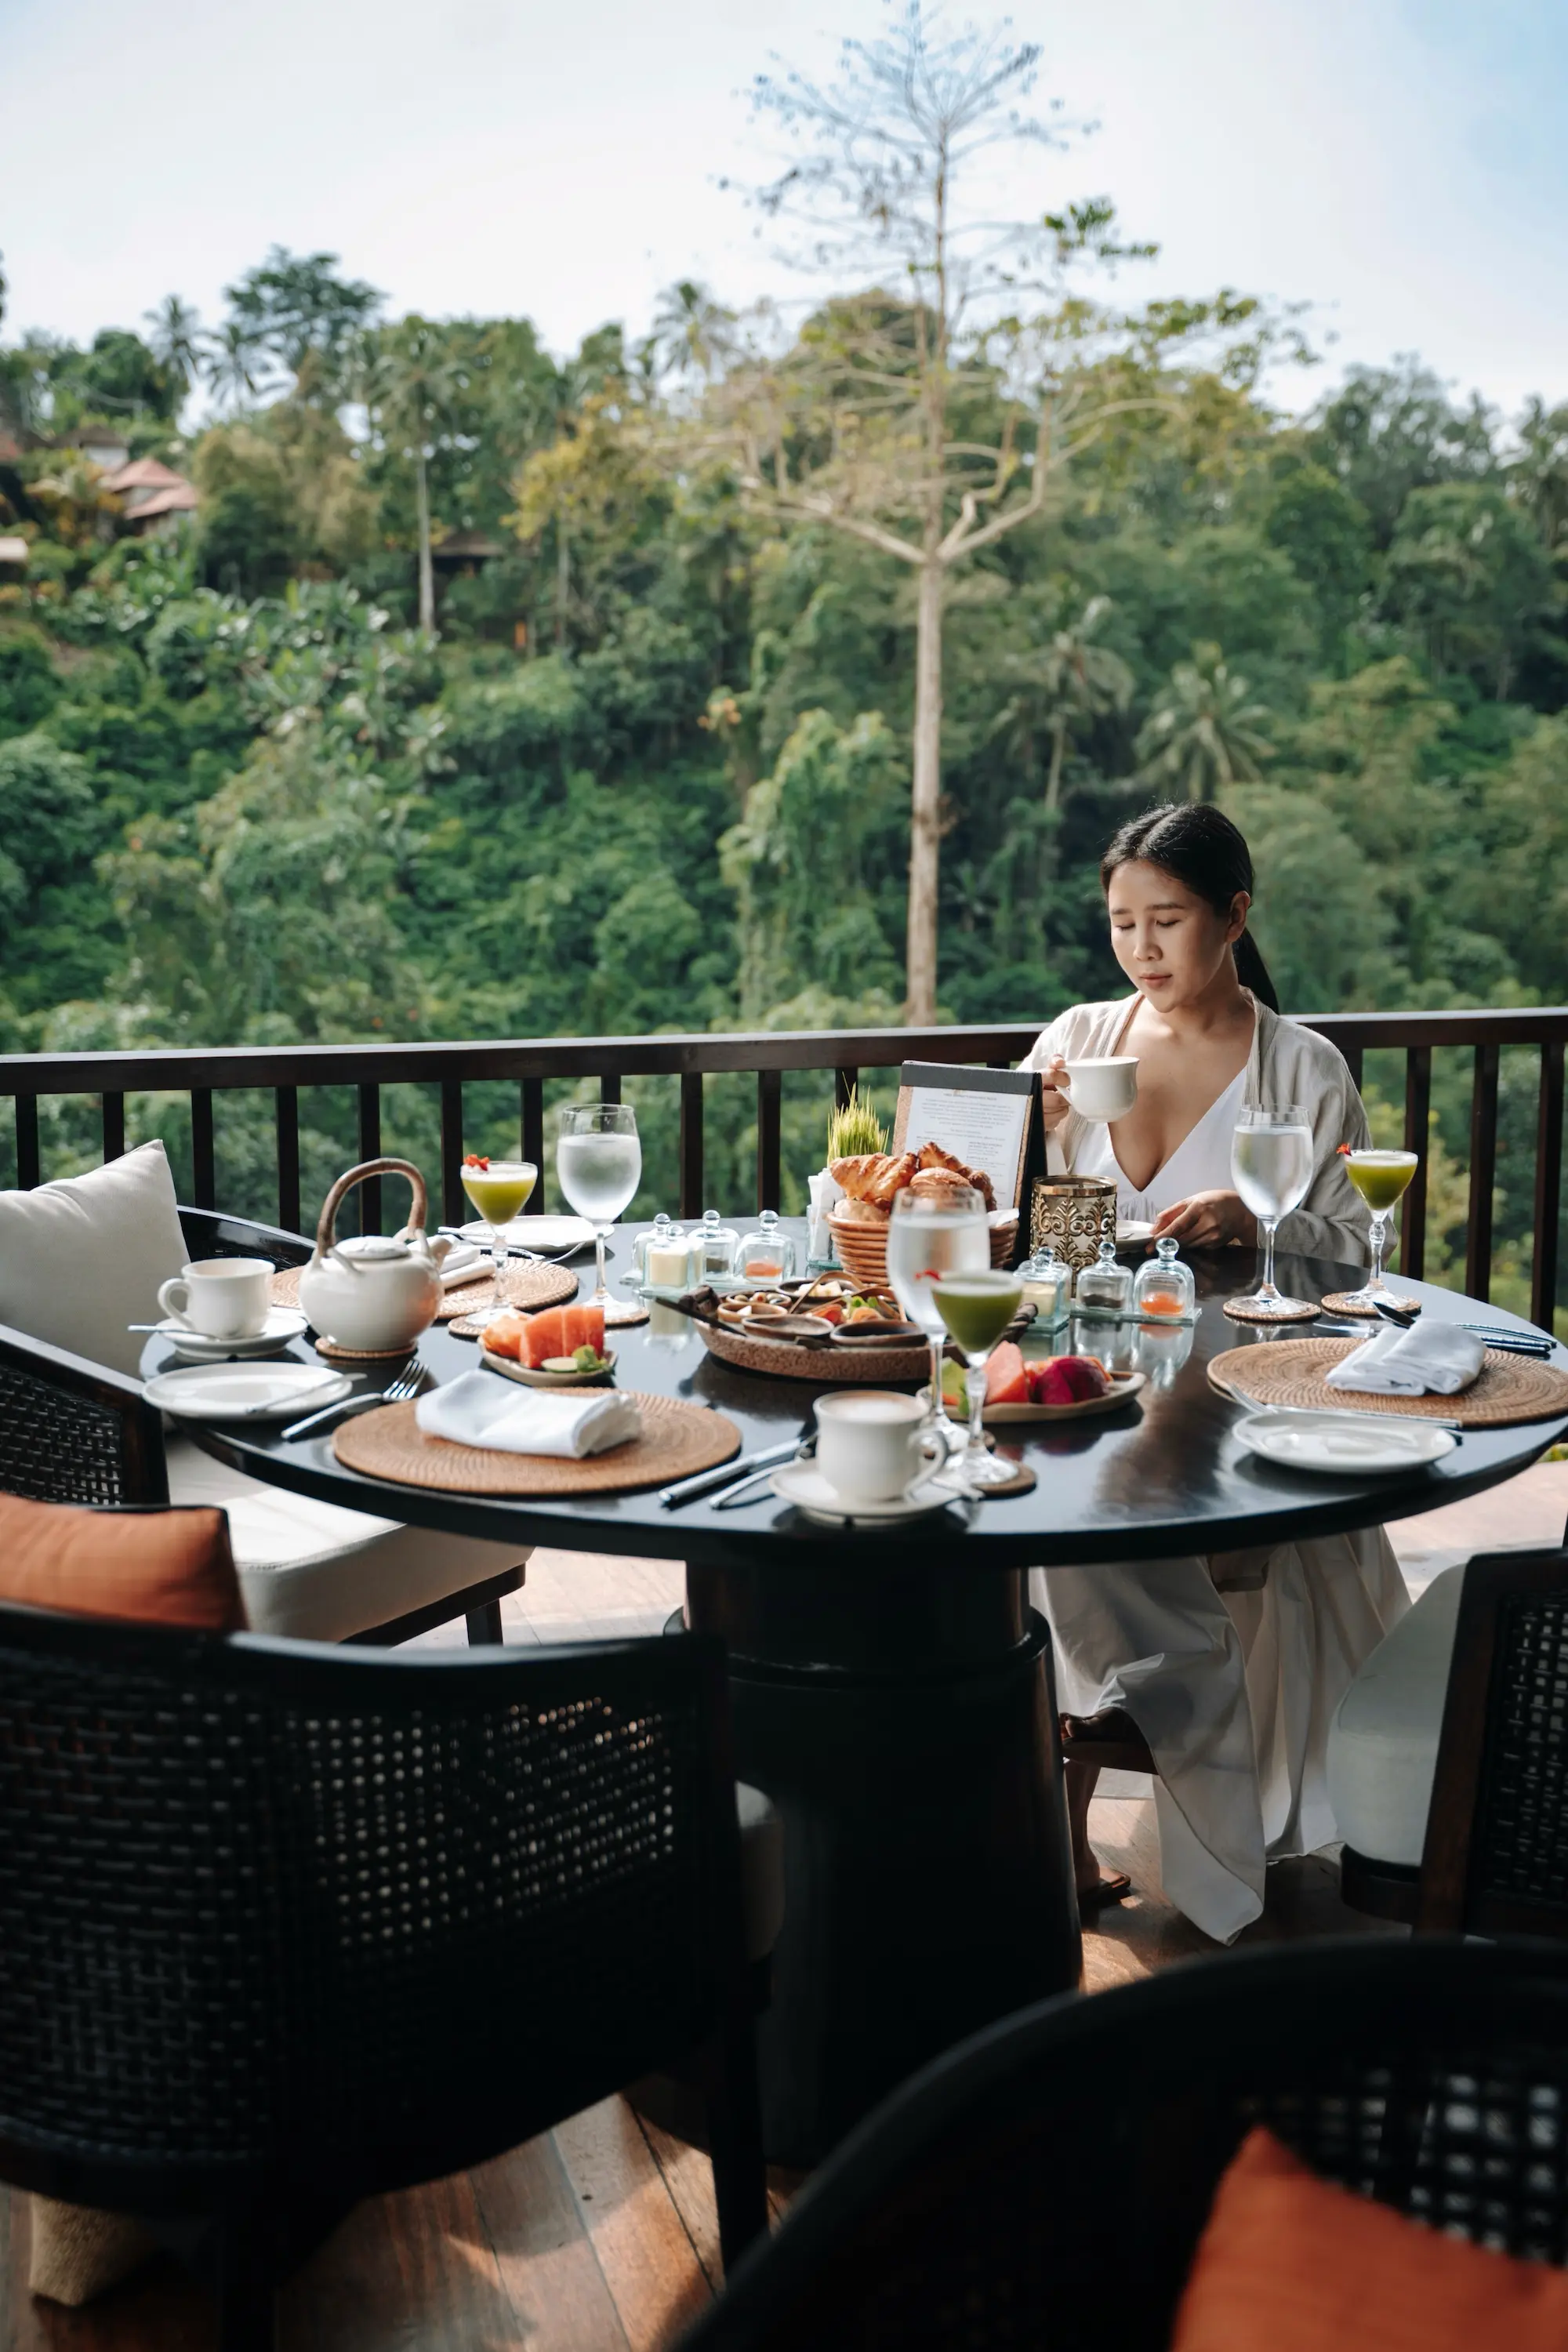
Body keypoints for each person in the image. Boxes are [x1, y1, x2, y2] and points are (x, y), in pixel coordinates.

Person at [1022, 802, 1410, 1943]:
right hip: (1086, 1385)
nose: (1142, 948)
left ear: (1235, 917)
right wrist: (1027, 1129)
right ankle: (1074, 1806)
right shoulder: (1078, 1040)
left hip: (1235, 1396)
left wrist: (1256, 1218)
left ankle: (1144, 1744)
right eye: (1122, 923)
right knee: (1042, 1494)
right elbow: (992, 1208)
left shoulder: (1301, 1067)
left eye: (1169, 919)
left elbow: (1359, 1259)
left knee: (1081, 1531)